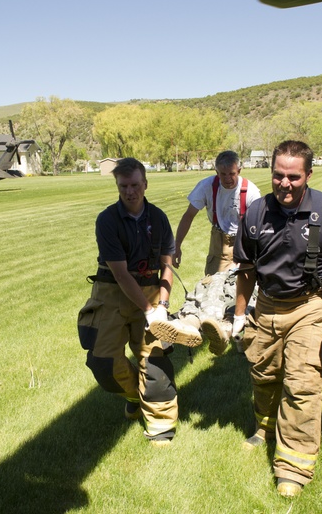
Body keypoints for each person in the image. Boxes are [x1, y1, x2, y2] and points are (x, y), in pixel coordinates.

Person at [231, 140, 322, 497]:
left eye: (293, 176)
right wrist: (240, 317)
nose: (284, 184)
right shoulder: (256, 212)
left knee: (302, 384)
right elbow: (245, 270)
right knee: (264, 374)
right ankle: (264, 426)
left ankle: (294, 466)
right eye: (278, 175)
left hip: (313, 305)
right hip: (268, 305)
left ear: (308, 176)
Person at [76, 157, 179, 445]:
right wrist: (148, 310)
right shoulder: (107, 220)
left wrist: (162, 306)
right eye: (124, 186)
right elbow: (121, 274)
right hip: (111, 293)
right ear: (117, 186)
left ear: (145, 184)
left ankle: (161, 425)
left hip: (149, 292)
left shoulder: (158, 218)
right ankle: (135, 394)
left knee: (155, 362)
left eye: (135, 185)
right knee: (102, 363)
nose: (130, 192)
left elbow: (167, 266)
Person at [172, 150, 262, 276]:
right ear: (216, 172)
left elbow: (259, 226)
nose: (227, 179)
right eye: (223, 174)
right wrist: (177, 245)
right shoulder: (206, 186)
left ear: (239, 171)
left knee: (245, 290)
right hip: (218, 246)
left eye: (232, 174)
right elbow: (189, 215)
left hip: (245, 244)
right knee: (212, 289)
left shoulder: (251, 192)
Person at [147, 267, 259, 355]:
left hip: (249, 277)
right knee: (206, 291)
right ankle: (189, 324)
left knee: (228, 301)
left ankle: (195, 325)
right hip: (230, 274)